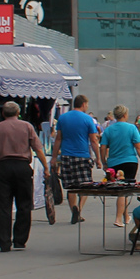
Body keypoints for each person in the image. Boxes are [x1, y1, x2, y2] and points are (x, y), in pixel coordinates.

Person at [0, 100, 48, 251]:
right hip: (23, 168)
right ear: (18, 113)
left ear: (3, 113)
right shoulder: (27, 126)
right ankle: (20, 240)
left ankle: (4, 242)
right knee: (24, 204)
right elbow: (38, 149)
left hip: (4, 168)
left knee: (3, 205)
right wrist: (46, 167)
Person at [53, 94, 101, 224]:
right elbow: (93, 140)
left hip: (66, 156)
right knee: (85, 185)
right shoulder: (88, 119)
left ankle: (73, 208)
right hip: (82, 156)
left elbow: (58, 139)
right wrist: (98, 158)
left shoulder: (63, 118)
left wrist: (54, 157)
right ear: (84, 104)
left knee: (71, 186)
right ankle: (79, 209)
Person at [100, 105, 140, 227]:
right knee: (124, 190)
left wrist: (103, 162)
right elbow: (138, 146)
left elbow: (103, 147)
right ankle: (118, 219)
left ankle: (126, 217)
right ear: (125, 115)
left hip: (113, 163)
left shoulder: (109, 130)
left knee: (121, 188)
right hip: (130, 161)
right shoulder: (131, 128)